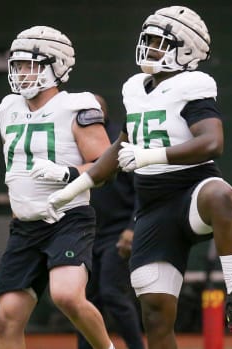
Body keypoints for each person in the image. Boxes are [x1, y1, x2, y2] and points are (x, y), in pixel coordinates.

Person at [46, 6, 232, 349]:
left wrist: (151, 156)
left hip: (191, 189)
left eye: (158, 42)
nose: (149, 48)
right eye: (147, 39)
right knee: (157, 316)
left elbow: (213, 142)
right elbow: (119, 148)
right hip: (152, 208)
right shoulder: (135, 89)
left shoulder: (193, 85)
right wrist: (73, 188)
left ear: (186, 50)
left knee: (220, 195)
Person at [0, 25, 115, 349]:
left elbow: (106, 165)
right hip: (25, 225)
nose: (21, 72)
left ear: (56, 66)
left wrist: (67, 174)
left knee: (66, 295)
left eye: (29, 65)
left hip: (67, 219)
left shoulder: (76, 107)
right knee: (7, 315)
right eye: (17, 65)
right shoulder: (8, 110)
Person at [77, 95, 145, 349]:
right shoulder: (77, 143)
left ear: (104, 112)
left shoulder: (121, 141)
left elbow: (142, 190)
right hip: (86, 233)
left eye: (95, 109)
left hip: (118, 233)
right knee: (84, 300)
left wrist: (131, 228)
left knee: (112, 293)